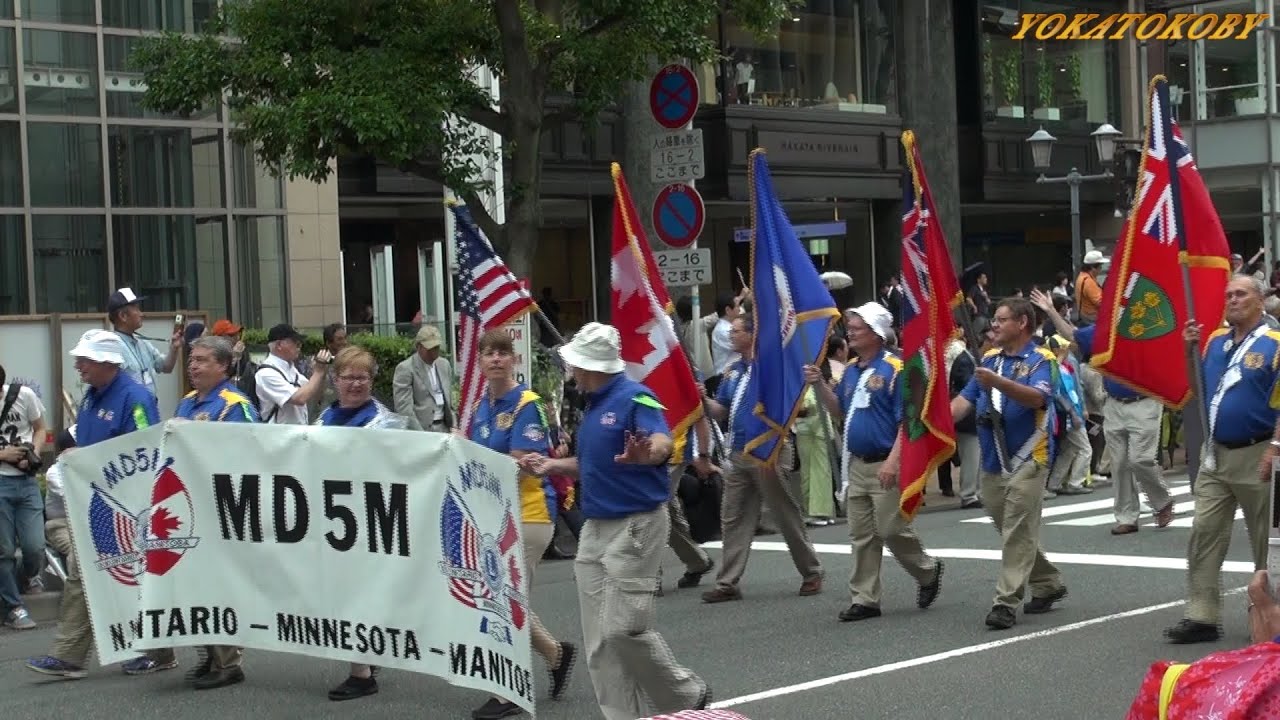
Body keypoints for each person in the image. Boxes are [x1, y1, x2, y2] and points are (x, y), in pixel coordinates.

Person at [524, 323, 709, 720]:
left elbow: (658, 441)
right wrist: (554, 464)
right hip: (595, 527)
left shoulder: (635, 397)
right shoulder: (593, 404)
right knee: (599, 642)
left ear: (588, 366)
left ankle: (684, 695)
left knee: (622, 629)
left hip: (636, 525)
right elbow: (592, 465)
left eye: (573, 364)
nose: (569, 371)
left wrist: (651, 454)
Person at [119, 336, 257, 687]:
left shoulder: (234, 405)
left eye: (202, 360)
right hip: (189, 507)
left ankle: (229, 662)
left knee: (219, 585)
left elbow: (246, 456)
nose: (193, 366)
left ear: (223, 366)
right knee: (194, 584)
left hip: (219, 508)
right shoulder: (186, 403)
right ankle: (209, 655)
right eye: (192, 360)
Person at [27, 330, 161, 679]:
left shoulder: (136, 398)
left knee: (136, 575)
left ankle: (151, 650)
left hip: (128, 505)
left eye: (84, 359)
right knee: (85, 574)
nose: (78, 365)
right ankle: (71, 656)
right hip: (94, 503)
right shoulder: (90, 397)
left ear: (106, 362)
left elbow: (146, 449)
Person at [804, 302, 943, 622]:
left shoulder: (897, 369)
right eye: (849, 328)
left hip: (885, 464)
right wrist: (819, 384)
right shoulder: (852, 370)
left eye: (856, 328)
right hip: (857, 463)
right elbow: (839, 410)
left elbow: (906, 423)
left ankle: (927, 571)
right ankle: (865, 598)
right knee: (862, 534)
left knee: (891, 528)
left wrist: (892, 463)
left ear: (877, 333)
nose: (849, 334)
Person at [465, 329, 575, 719]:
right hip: (491, 517)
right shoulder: (481, 406)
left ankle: (507, 691)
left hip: (526, 515)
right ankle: (555, 654)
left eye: (502, 353)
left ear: (514, 360)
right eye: (487, 354)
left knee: (502, 602)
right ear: (479, 362)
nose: (495, 359)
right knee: (503, 599)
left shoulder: (528, 404)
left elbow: (519, 464)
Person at [1165, 274, 1280, 645]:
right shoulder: (1214, 341)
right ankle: (1202, 614)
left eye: (1241, 294)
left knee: (1266, 539)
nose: (1232, 299)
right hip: (1216, 452)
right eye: (1228, 294)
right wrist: (1187, 350)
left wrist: (1276, 448)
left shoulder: (1275, 343)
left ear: (1260, 301)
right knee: (1204, 532)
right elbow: (1198, 389)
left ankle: (1268, 613)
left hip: (1258, 450)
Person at [951, 298, 1067, 630]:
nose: (994, 326)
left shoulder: (1041, 360)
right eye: (995, 321)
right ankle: (1048, 582)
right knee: (1012, 529)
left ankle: (1005, 602)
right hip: (992, 461)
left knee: (1016, 530)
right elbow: (964, 402)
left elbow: (1037, 398)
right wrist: (936, 422)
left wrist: (998, 383)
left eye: (1002, 320)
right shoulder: (989, 360)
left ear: (1023, 323)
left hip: (1029, 458)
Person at [700, 314, 823, 603]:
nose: (731, 335)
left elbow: (800, 407)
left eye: (737, 331)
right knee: (733, 516)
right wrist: (703, 401)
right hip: (738, 451)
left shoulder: (773, 368)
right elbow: (722, 411)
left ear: (753, 334)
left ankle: (811, 571)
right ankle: (728, 582)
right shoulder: (732, 372)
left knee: (784, 513)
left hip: (769, 451)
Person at [320, 345, 411, 701]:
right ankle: (366, 659)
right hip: (331, 523)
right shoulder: (322, 419)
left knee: (354, 595)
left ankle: (360, 673)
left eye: (363, 377)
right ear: (335, 380)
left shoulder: (385, 423)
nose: (355, 384)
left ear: (373, 381)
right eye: (348, 377)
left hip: (370, 523)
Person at [0, 363, 47, 630]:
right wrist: (3, 455)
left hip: (26, 481)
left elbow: (40, 428)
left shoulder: (24, 395)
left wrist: (35, 452)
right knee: (4, 550)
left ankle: (27, 576)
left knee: (34, 547)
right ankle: (13, 608)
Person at [106, 287, 182, 396]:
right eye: (136, 309)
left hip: (149, 407)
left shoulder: (143, 343)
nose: (141, 314)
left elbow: (166, 367)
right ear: (123, 316)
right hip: (132, 410)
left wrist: (174, 348)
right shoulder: (111, 347)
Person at [255, 323, 331, 425]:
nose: (299, 347)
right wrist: (318, 372)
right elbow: (299, 398)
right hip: (276, 436)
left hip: (296, 433)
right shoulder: (266, 374)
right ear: (279, 345)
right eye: (295, 342)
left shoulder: (290, 368)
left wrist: (322, 372)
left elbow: (312, 394)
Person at [392, 325, 455, 432]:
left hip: (444, 427)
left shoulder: (444, 365)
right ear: (418, 347)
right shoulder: (406, 369)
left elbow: (450, 402)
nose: (434, 352)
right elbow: (404, 409)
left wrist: (454, 425)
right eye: (429, 349)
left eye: (436, 348)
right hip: (421, 429)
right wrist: (420, 434)